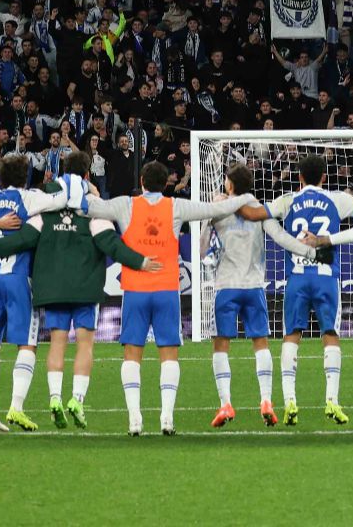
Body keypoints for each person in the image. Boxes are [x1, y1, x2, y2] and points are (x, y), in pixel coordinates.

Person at [0, 151, 168, 431]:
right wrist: (140, 262)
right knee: (85, 344)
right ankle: (77, 400)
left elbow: (22, 239)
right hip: (85, 286)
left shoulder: (45, 208)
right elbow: (111, 245)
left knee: (57, 342)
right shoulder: (93, 208)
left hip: (53, 287)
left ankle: (55, 397)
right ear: (86, 175)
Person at [80, 163, 261, 435]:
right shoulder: (177, 207)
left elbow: (90, 207)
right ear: (166, 184)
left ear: (141, 181)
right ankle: (167, 418)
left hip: (135, 290)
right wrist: (243, 197)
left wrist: (87, 188)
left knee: (132, 355)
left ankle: (134, 420)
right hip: (166, 290)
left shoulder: (124, 205)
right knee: (169, 355)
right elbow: (215, 210)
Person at [203, 163, 323, 429]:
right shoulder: (261, 212)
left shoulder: (220, 211)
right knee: (261, 342)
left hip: (227, 286)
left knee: (221, 344)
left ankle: (225, 404)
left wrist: (208, 221)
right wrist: (310, 252)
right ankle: (266, 400)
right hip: (255, 286)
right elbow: (282, 238)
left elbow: (201, 250)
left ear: (230, 185)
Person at [0, 155, 71, 432]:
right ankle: (17, 408)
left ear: (0, 178)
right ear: (25, 177)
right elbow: (62, 200)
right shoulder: (29, 198)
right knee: (27, 345)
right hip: (20, 278)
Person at [267, 154, 353, 426]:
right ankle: (332, 400)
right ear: (324, 177)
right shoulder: (336, 199)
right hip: (326, 277)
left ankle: (289, 400)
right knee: (331, 335)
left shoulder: (287, 200)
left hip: (297, 277)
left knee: (291, 335)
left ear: (299, 177)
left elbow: (262, 214)